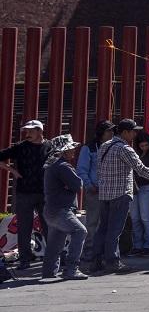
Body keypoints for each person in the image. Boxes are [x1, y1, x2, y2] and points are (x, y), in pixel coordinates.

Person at [89, 119, 149, 273]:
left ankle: (96, 261)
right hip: (120, 194)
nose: (135, 134)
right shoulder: (125, 149)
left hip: (105, 194)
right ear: (124, 132)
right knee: (114, 230)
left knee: (102, 229)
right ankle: (112, 262)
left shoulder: (104, 146)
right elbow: (141, 169)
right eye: (133, 131)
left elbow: (99, 170)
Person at [0, 120, 52, 270]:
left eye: (30, 131)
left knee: (48, 225)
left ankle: (53, 257)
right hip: (24, 192)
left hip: (45, 192)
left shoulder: (50, 146)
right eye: (26, 131)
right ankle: (25, 260)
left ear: (39, 131)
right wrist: (13, 171)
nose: (27, 134)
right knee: (24, 227)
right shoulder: (21, 147)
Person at [41, 135, 87, 280]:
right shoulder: (63, 166)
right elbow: (77, 184)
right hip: (62, 210)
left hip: (51, 210)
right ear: (63, 151)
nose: (74, 151)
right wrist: (71, 185)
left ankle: (49, 272)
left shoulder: (51, 165)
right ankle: (71, 269)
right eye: (71, 148)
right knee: (80, 231)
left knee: (55, 243)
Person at [77, 120, 114, 264]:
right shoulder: (89, 148)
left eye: (112, 131)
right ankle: (90, 251)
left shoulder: (114, 146)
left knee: (108, 222)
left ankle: (104, 251)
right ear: (101, 133)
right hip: (95, 190)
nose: (111, 133)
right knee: (92, 222)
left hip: (111, 190)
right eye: (108, 131)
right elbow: (82, 169)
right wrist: (89, 185)